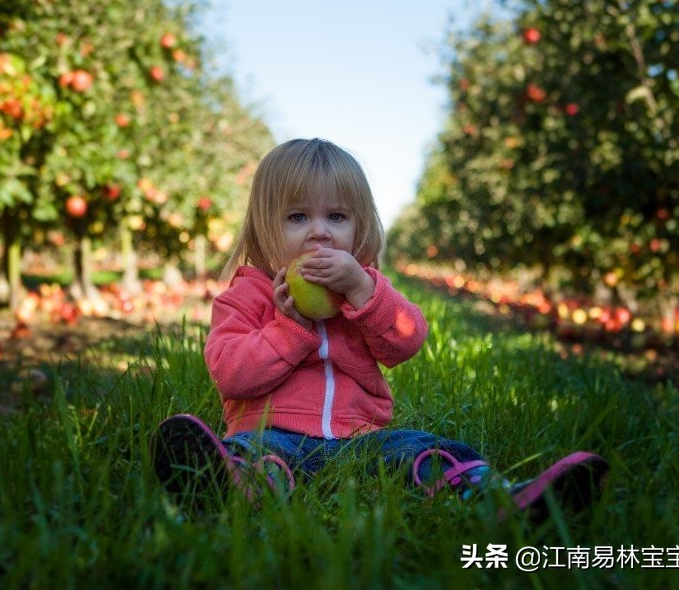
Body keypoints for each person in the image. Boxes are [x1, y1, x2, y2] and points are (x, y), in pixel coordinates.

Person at [151, 137, 607, 519]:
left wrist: (363, 293)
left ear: (359, 225)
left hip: (360, 441)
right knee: (254, 455)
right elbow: (232, 374)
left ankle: (504, 499)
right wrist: (289, 329)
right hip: (272, 432)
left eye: (336, 217)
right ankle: (226, 484)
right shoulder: (244, 298)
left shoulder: (365, 290)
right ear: (262, 226)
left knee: (427, 450)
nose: (319, 233)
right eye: (297, 217)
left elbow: (407, 341)